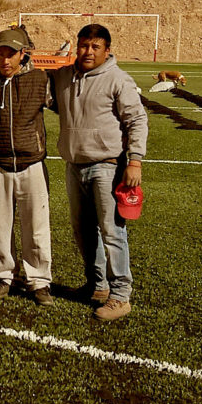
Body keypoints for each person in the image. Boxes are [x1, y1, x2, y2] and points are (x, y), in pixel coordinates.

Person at [50, 24, 147, 321]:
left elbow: (137, 119)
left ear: (106, 50)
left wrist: (135, 161)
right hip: (74, 165)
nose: (88, 52)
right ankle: (97, 286)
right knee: (82, 231)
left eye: (95, 47)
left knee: (112, 232)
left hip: (107, 167)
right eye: (83, 45)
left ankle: (120, 295)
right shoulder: (64, 76)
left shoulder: (118, 79)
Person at [0, 27, 54, 306]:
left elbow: (67, 102)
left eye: (10, 54)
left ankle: (39, 281)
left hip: (31, 164)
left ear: (23, 54)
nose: (4, 60)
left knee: (36, 227)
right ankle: (4, 275)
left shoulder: (40, 79)